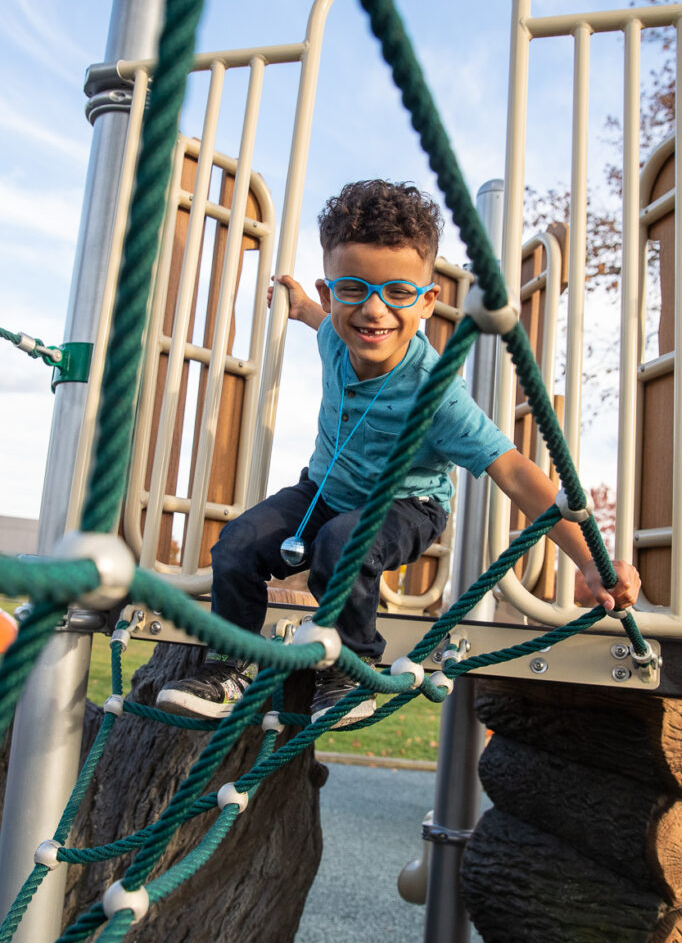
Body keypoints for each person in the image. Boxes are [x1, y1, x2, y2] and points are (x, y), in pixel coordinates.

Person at [156, 180, 640, 725]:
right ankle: (230, 668)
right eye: (353, 290)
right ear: (332, 290)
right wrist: (301, 307)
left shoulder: (436, 395)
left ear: (428, 301)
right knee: (238, 546)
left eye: (398, 293)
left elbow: (515, 471)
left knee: (342, 546)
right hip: (323, 490)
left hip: (409, 506)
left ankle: (350, 672)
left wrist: (590, 560)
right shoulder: (336, 336)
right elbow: (325, 323)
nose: (374, 311)